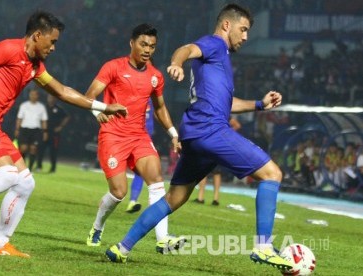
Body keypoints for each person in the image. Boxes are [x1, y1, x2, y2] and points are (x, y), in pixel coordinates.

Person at [104, 4, 293, 272]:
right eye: (244, 29)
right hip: (210, 130)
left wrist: (260, 104)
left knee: (174, 197)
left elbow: (227, 104)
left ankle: (121, 247)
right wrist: (176, 63)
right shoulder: (215, 44)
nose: (246, 36)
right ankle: (263, 246)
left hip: (194, 133)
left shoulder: (219, 60)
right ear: (227, 25)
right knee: (272, 174)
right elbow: (187, 49)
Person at [0, 10, 127, 258]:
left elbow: (62, 91)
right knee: (7, 173)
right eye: (53, 41)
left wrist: (102, 106)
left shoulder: (35, 66)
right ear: (38, 36)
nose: (54, 48)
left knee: (25, 182)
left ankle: (0, 244)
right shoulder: (9, 48)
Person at [85, 23, 185, 253]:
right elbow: (90, 95)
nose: (147, 49)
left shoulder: (155, 76)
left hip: (139, 136)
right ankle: (97, 226)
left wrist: (173, 133)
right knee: (119, 193)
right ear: (132, 43)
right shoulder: (113, 67)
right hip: (112, 135)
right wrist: (98, 111)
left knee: (157, 180)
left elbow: (160, 108)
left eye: (152, 46)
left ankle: (163, 240)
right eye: (143, 44)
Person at [194, 117, 241, 205]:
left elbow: (237, 125)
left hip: (209, 143)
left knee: (205, 170)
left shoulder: (217, 113)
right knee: (216, 172)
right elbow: (237, 125)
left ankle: (201, 197)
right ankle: (215, 199)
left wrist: (225, 135)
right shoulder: (221, 112)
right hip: (215, 144)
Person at [126, 99, 154, 213]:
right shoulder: (133, 93)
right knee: (119, 167)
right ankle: (111, 197)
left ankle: (133, 201)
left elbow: (159, 110)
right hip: (127, 134)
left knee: (142, 170)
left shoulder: (153, 95)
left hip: (144, 137)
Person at [36, 94, 70, 173]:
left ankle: (53, 168)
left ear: (55, 99)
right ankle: (39, 166)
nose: (51, 99)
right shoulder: (43, 107)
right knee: (40, 149)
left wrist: (61, 126)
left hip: (54, 133)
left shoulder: (59, 108)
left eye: (53, 97)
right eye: (50, 97)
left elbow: (67, 116)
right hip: (44, 132)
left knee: (53, 150)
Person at [15, 88, 48, 171]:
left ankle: (30, 168)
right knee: (23, 148)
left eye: (35, 94)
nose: (33, 96)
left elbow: (44, 120)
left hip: (36, 130)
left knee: (33, 149)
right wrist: (17, 129)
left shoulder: (41, 107)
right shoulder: (24, 105)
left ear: (38, 96)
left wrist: (45, 132)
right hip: (25, 129)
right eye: (32, 94)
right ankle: (22, 167)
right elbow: (19, 118)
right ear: (29, 95)